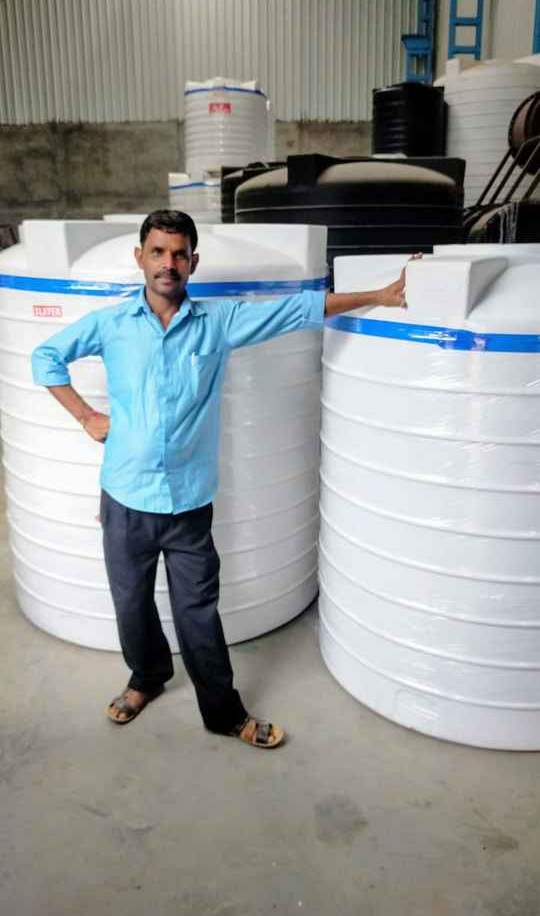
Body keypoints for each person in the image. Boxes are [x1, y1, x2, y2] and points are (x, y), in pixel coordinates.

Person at [32, 209, 407, 750]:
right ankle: (146, 677)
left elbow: (300, 309)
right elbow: (45, 357)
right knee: (131, 605)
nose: (168, 263)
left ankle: (224, 714)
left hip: (188, 504)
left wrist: (379, 295)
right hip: (125, 499)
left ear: (193, 262)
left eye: (179, 254)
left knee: (199, 614)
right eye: (158, 252)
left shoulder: (217, 322)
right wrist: (86, 415)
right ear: (140, 258)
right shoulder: (110, 325)